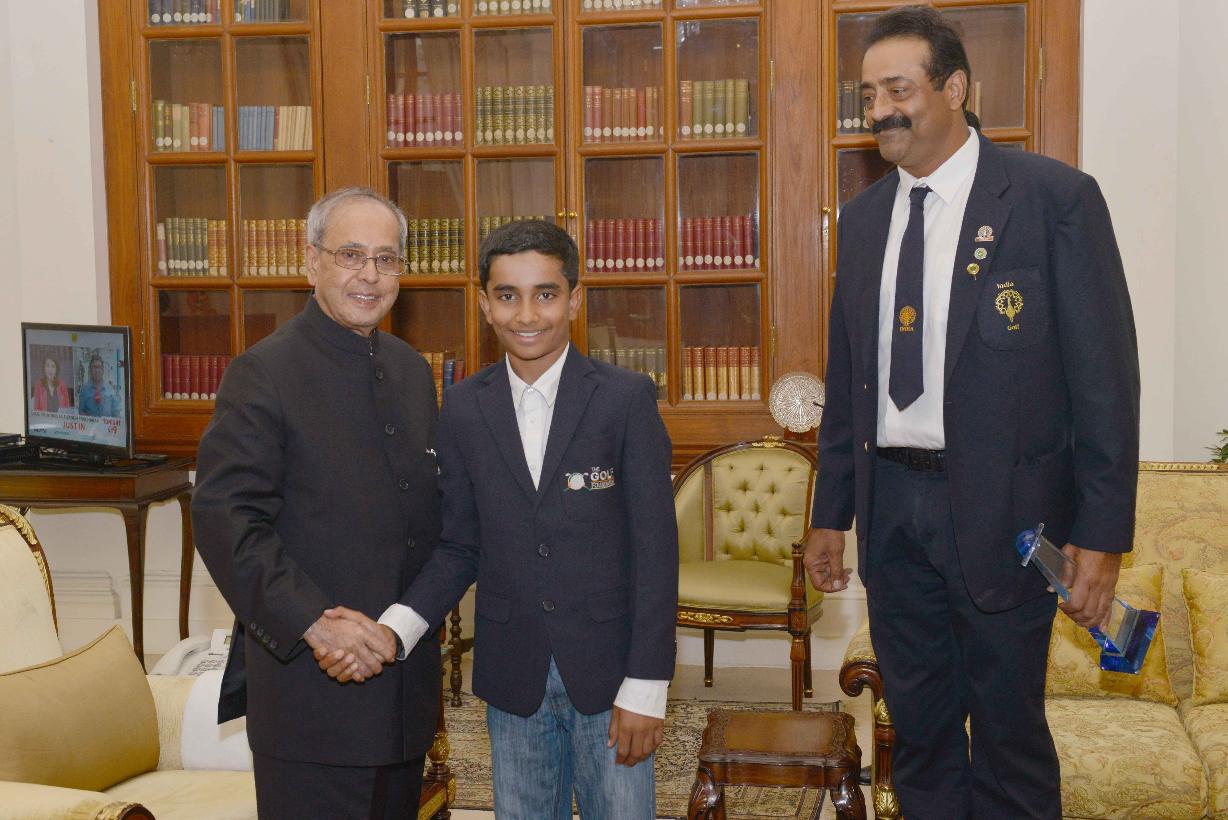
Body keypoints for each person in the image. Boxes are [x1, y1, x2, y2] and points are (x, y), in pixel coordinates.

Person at [802, 7, 1139, 819]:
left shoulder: (1054, 199)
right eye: (868, 95)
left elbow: (1105, 381)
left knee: (1009, 740)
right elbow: (851, 379)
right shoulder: (863, 219)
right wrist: (830, 512)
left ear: (955, 89)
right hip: (892, 513)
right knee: (919, 740)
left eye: (898, 89)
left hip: (1009, 516)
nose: (879, 110)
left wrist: (1100, 537)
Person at [324, 219, 678, 818]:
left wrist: (647, 684)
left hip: (611, 672)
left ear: (575, 299)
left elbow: (656, 550)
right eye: (508, 296)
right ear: (485, 305)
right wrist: (394, 629)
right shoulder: (464, 406)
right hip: (513, 674)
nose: (527, 314)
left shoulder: (624, 399)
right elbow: (459, 545)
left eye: (546, 294)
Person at [192, 187, 442, 819]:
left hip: (402, 691)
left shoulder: (413, 371)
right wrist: (316, 623)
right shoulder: (263, 372)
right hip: (310, 691)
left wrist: (397, 631)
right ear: (311, 262)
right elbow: (227, 519)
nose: (369, 275)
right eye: (350, 255)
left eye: (386, 259)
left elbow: (427, 524)